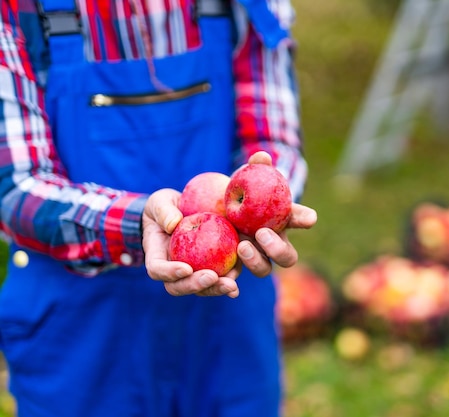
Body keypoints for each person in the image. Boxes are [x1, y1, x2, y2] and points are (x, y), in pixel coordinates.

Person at [0, 0, 317, 416]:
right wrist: (139, 222)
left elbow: (273, 140)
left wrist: (263, 214)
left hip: (229, 322)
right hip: (82, 335)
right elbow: (16, 189)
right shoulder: (18, 10)